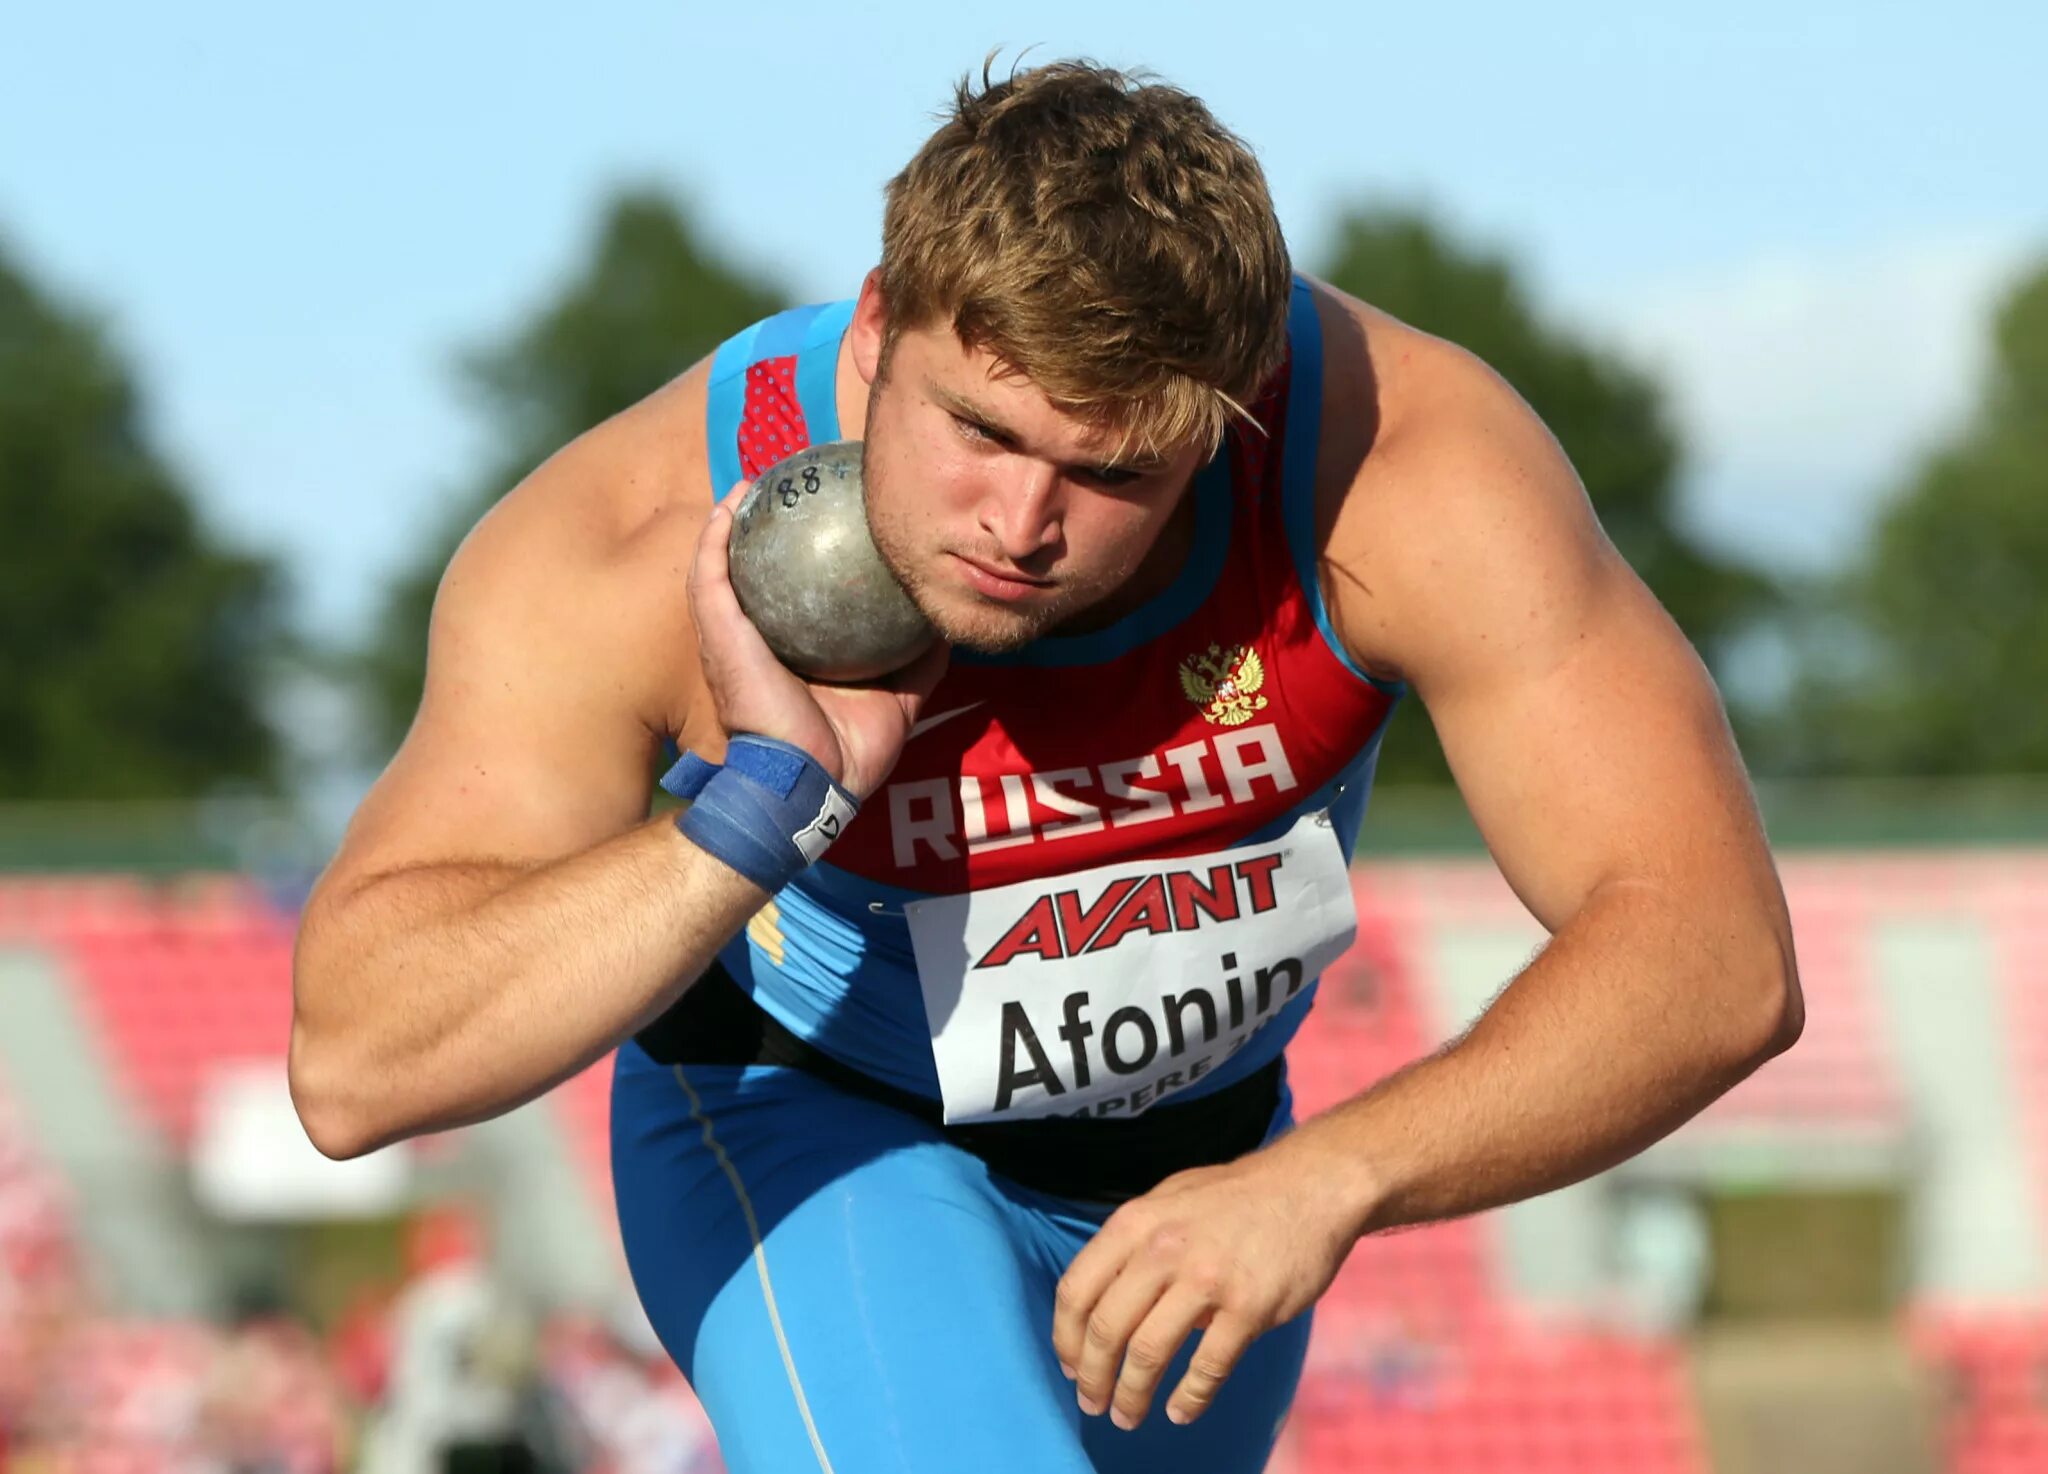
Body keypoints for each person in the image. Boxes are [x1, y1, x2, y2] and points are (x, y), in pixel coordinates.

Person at [289, 59, 1803, 1472]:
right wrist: (759, 808)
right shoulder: (635, 538)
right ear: (879, 328)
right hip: (814, 1128)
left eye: (1111, 472)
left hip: (1207, 1185)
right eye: (978, 428)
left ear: (1228, 418)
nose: (1020, 523)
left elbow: (1715, 953)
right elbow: (358, 1063)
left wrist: (1330, 1178)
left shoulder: (1398, 472)